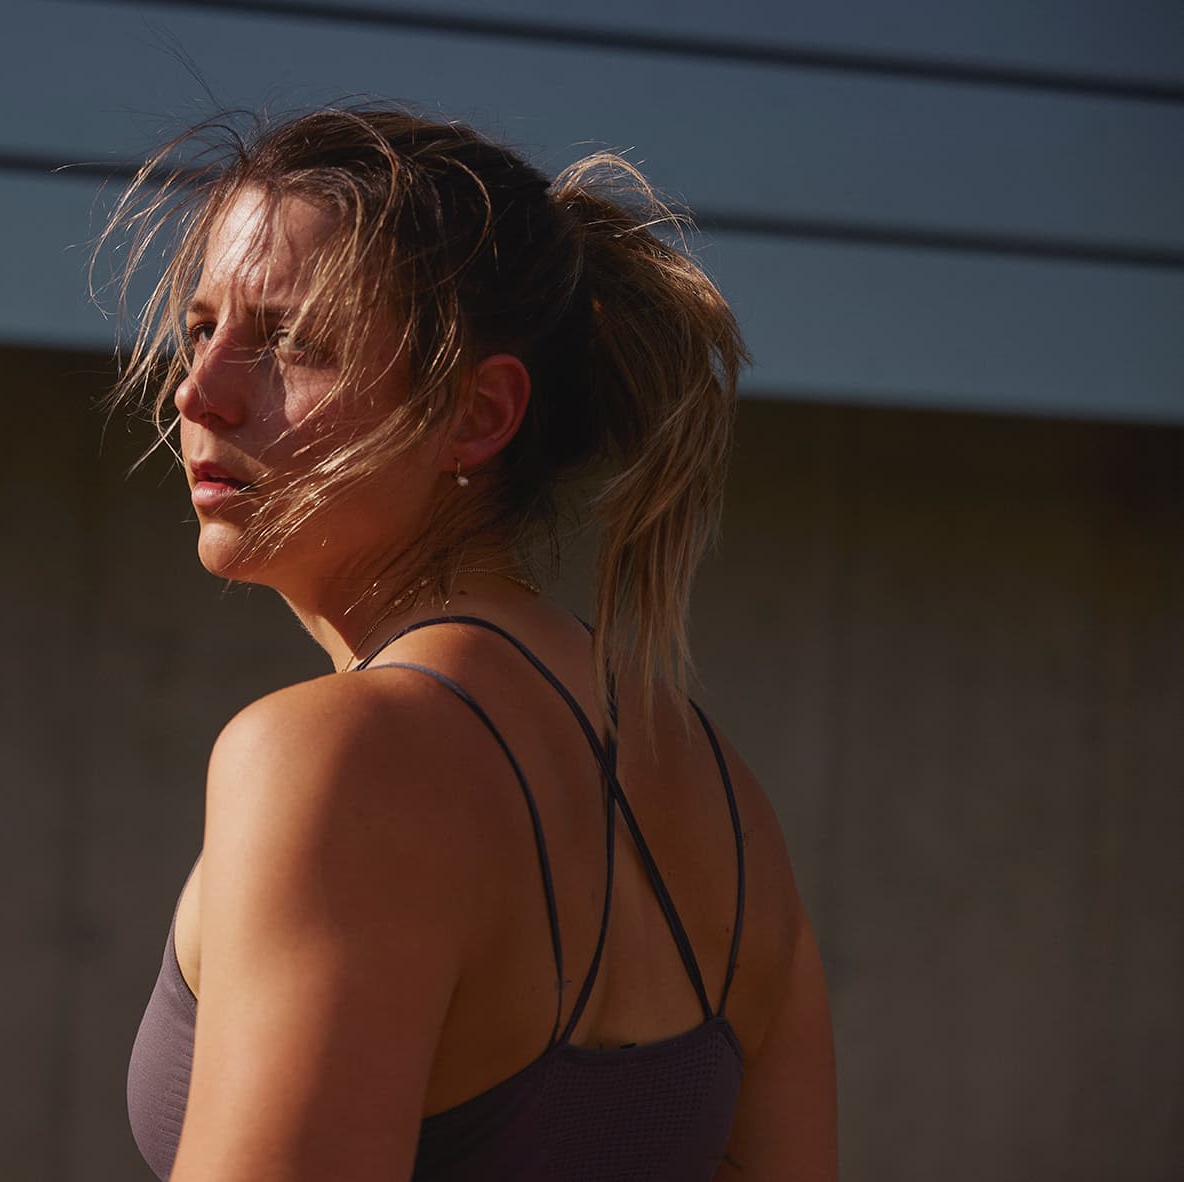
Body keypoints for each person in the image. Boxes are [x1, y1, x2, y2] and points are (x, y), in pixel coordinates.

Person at [107, 106, 838, 1181]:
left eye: (291, 343)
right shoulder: (724, 803)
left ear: (476, 413)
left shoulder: (330, 760)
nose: (196, 392)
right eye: (201, 328)